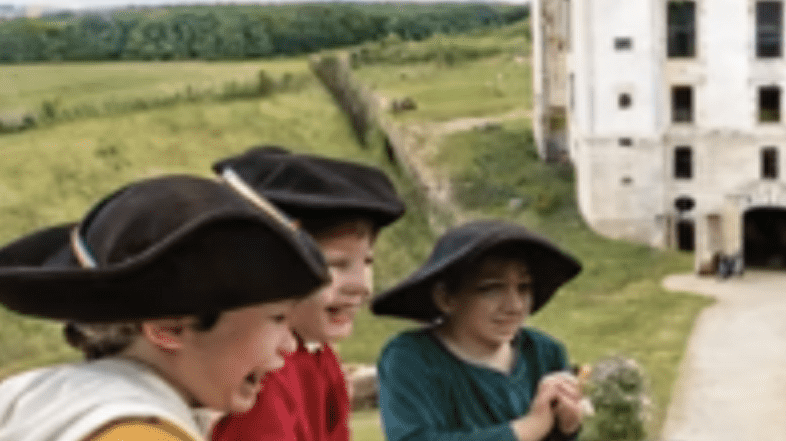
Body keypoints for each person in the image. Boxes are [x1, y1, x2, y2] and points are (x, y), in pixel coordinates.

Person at [0, 173, 329, 441]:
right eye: (277, 318)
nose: (288, 345)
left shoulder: (39, 398)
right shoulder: (139, 432)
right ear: (169, 328)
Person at [210, 146, 407, 441]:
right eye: (336, 264)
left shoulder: (319, 355)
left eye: (367, 261)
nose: (362, 285)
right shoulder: (262, 376)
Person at [372, 220, 585, 441]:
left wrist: (566, 427)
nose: (515, 306)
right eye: (492, 288)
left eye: (524, 287)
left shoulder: (543, 353)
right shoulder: (412, 359)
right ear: (445, 298)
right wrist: (528, 428)